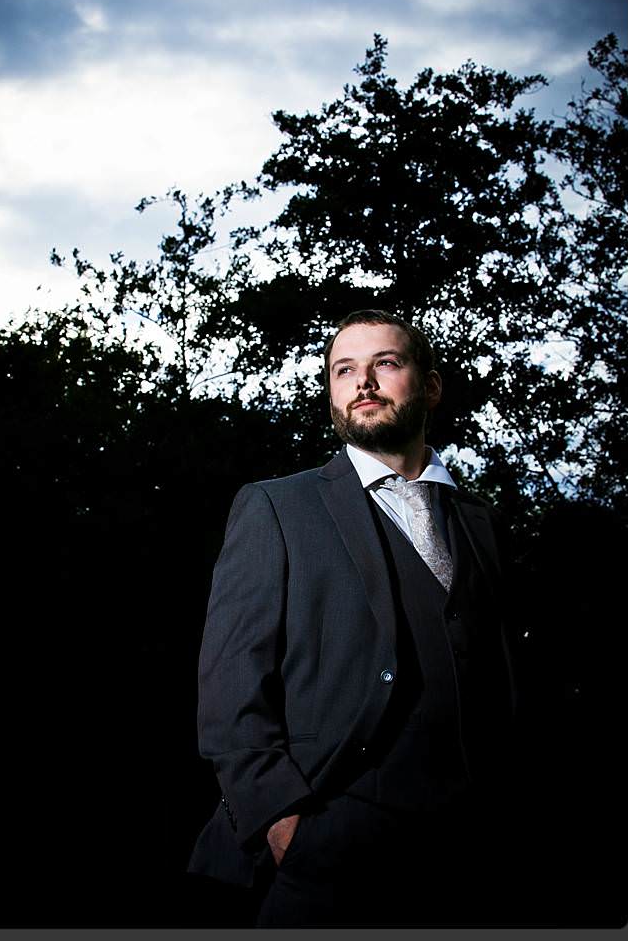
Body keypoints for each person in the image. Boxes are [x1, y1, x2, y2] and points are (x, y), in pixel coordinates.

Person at [189, 310, 523, 926]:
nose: (363, 382)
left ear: (429, 386)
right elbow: (231, 685)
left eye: (386, 364)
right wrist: (280, 821)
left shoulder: (480, 522)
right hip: (325, 844)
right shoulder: (278, 506)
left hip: (470, 859)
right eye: (345, 370)